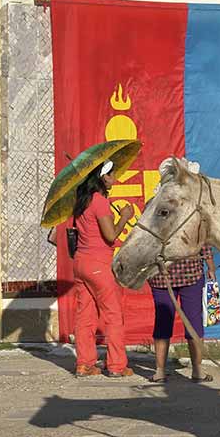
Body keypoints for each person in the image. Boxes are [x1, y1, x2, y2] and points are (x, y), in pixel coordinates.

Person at [70, 160, 134, 377]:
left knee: (85, 315)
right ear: (101, 177)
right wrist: (124, 217)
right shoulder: (99, 202)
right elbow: (110, 235)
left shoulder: (81, 200)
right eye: (111, 175)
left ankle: (84, 364)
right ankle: (116, 366)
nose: (114, 180)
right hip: (99, 264)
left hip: (80, 263)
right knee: (113, 314)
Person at [147, 247, 217, 383]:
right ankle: (196, 371)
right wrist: (210, 267)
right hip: (171, 276)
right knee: (188, 322)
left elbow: (203, 240)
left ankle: (162, 372)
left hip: (173, 275)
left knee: (170, 322)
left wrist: (210, 266)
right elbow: (203, 240)